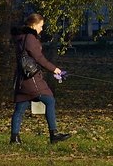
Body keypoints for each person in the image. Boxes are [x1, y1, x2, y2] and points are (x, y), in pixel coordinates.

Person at [10, 12, 71, 144]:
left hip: (22, 79)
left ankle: (14, 138)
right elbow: (39, 58)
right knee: (49, 100)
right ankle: (53, 134)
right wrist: (55, 69)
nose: (41, 29)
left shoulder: (20, 37)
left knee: (20, 109)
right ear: (33, 24)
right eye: (41, 26)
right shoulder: (30, 38)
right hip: (32, 80)